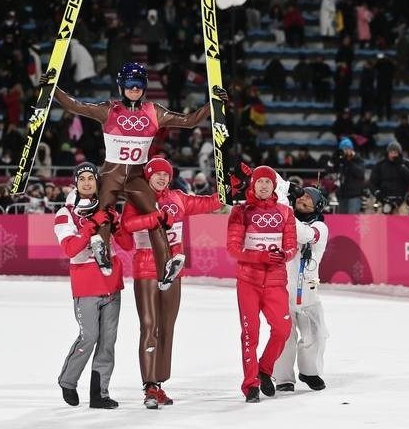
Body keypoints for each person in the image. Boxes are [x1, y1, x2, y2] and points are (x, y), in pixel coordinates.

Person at [52, 62, 228, 291]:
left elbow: (189, 121)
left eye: (139, 85)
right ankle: (101, 250)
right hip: (111, 174)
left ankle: (166, 265)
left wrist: (214, 104)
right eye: (130, 84)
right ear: (121, 86)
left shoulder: (154, 111)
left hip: (136, 176)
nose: (135, 89)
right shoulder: (109, 110)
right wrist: (53, 89)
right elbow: (76, 106)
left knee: (157, 215)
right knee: (103, 213)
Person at [116, 158, 222, 408]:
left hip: (172, 269)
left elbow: (210, 203)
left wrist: (231, 187)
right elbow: (127, 225)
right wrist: (154, 218)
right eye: (157, 174)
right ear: (148, 176)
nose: (161, 178)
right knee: (149, 326)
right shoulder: (137, 197)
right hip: (146, 267)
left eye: (165, 175)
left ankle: (159, 382)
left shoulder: (179, 198)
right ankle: (149, 386)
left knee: (167, 326)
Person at [55, 162, 124, 409]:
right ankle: (68, 380)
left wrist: (116, 224)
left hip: (112, 283)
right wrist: (92, 226)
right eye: (82, 178)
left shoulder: (107, 209)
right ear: (75, 183)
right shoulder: (65, 214)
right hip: (86, 285)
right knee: (89, 337)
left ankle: (100, 393)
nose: (86, 183)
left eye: (90, 178)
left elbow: (127, 244)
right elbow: (70, 248)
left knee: (107, 342)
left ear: (97, 182)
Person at [226, 165, 297, 403]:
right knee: (250, 334)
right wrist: (259, 257)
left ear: (274, 185)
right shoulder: (240, 211)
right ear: (253, 185)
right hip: (249, 281)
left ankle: (265, 370)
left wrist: (284, 255)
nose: (264, 186)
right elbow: (233, 249)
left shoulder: (286, 212)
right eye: (260, 182)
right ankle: (250, 385)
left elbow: (291, 246)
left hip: (276, 281)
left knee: (283, 330)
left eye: (268, 182)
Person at [272, 185, 329, 392]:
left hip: (310, 287)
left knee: (315, 333)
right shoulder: (282, 218)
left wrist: (283, 206)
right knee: (284, 335)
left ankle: (309, 372)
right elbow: (275, 183)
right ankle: (284, 378)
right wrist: (284, 190)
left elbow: (304, 234)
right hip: (282, 286)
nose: (303, 199)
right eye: (302, 195)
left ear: (318, 206)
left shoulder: (320, 228)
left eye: (309, 199)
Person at [369, 141, 409, 215]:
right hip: (383, 198)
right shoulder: (380, 164)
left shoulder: (406, 164)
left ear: (399, 153)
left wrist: (401, 166)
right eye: (391, 152)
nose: (393, 155)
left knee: (402, 220)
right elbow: (372, 183)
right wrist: (378, 194)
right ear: (387, 153)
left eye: (395, 153)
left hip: (401, 199)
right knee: (379, 221)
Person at [333, 138, 365, 214]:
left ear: (351, 149)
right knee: (342, 221)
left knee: (352, 220)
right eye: (342, 149)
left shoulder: (358, 159)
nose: (344, 151)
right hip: (342, 194)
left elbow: (360, 173)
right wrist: (334, 159)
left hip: (354, 195)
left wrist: (350, 161)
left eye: (346, 149)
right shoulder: (342, 161)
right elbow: (331, 170)